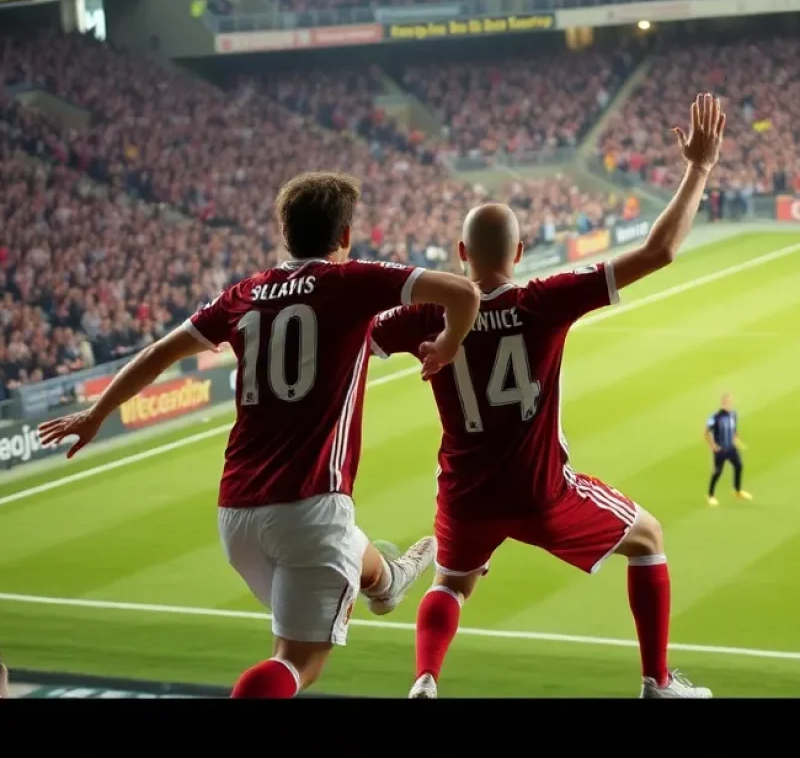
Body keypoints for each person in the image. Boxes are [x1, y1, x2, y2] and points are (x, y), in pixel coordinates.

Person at [40, 171, 481, 699]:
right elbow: (462, 292)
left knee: (340, 555)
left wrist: (96, 414)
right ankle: (384, 582)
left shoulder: (244, 293)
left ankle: (386, 580)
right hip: (310, 505)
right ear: (344, 237)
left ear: (284, 231)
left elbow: (159, 352)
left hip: (237, 515)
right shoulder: (352, 281)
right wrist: (450, 344)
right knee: (297, 662)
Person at [369, 93, 725, 700]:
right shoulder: (542, 301)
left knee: (451, 584)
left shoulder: (424, 314)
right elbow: (659, 251)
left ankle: (426, 681)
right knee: (649, 538)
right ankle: (658, 682)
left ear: (461, 255)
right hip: (540, 491)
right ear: (520, 252)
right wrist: (699, 168)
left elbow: (357, 338)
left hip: (466, 491)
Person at [704, 393, 752, 506]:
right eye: (727, 402)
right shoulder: (715, 416)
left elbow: (734, 429)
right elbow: (706, 431)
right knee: (717, 472)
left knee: (739, 466)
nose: (729, 404)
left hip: (731, 448)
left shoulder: (733, 414)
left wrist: (736, 438)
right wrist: (713, 445)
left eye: (730, 402)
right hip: (720, 449)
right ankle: (710, 496)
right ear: (722, 403)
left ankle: (737, 490)